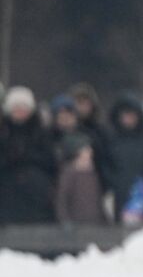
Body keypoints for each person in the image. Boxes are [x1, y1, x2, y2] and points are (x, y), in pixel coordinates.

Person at [0, 86, 57, 225]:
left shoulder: (41, 133)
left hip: (36, 191)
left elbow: (51, 161)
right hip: (8, 192)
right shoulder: (4, 133)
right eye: (16, 108)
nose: (20, 112)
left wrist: (29, 157)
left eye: (23, 108)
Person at [54, 133, 107, 226]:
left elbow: (98, 198)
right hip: (77, 224)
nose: (90, 151)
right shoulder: (69, 173)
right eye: (85, 149)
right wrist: (65, 221)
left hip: (95, 223)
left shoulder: (93, 172)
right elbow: (62, 200)